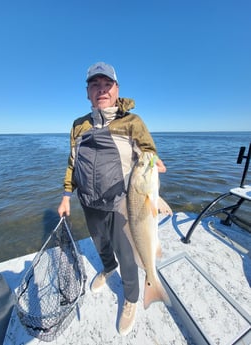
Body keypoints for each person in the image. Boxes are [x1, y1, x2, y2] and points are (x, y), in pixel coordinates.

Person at [58, 62, 166, 336]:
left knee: (128, 254)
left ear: (117, 90)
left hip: (122, 203)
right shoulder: (78, 125)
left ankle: (131, 298)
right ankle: (107, 269)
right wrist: (66, 195)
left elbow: (150, 153)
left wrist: (153, 160)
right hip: (88, 201)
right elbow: (72, 162)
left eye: (107, 85)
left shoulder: (132, 122)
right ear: (87, 93)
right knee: (100, 244)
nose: (101, 90)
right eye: (95, 85)